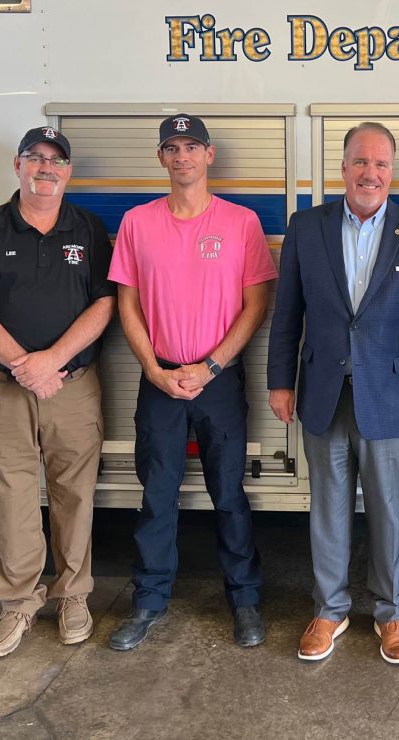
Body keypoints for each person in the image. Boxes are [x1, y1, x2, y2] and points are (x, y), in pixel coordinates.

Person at [267, 121, 399, 665]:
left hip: (393, 397)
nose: (370, 172)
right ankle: (330, 610)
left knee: (389, 512)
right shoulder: (306, 227)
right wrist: (280, 381)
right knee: (327, 509)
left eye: (381, 163)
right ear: (343, 167)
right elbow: (288, 312)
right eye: (360, 161)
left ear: (391, 171)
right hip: (323, 393)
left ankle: (391, 613)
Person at [106, 114, 277, 651]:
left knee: (228, 494)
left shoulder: (241, 222)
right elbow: (127, 304)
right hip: (159, 379)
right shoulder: (137, 223)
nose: (183, 156)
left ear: (210, 155)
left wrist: (212, 367)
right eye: (172, 148)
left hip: (218, 381)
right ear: (161, 157)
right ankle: (148, 601)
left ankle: (244, 600)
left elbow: (256, 304)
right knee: (157, 496)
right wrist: (154, 369)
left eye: (192, 146)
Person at [0, 126, 115, 658]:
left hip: (73, 387)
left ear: (69, 171)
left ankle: (73, 597)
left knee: (75, 496)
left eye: (56, 160)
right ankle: (18, 604)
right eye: (35, 157)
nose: (46, 167)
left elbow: (105, 305)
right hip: (4, 391)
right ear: (17, 166)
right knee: (12, 501)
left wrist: (51, 361)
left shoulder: (88, 229)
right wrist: (26, 367)